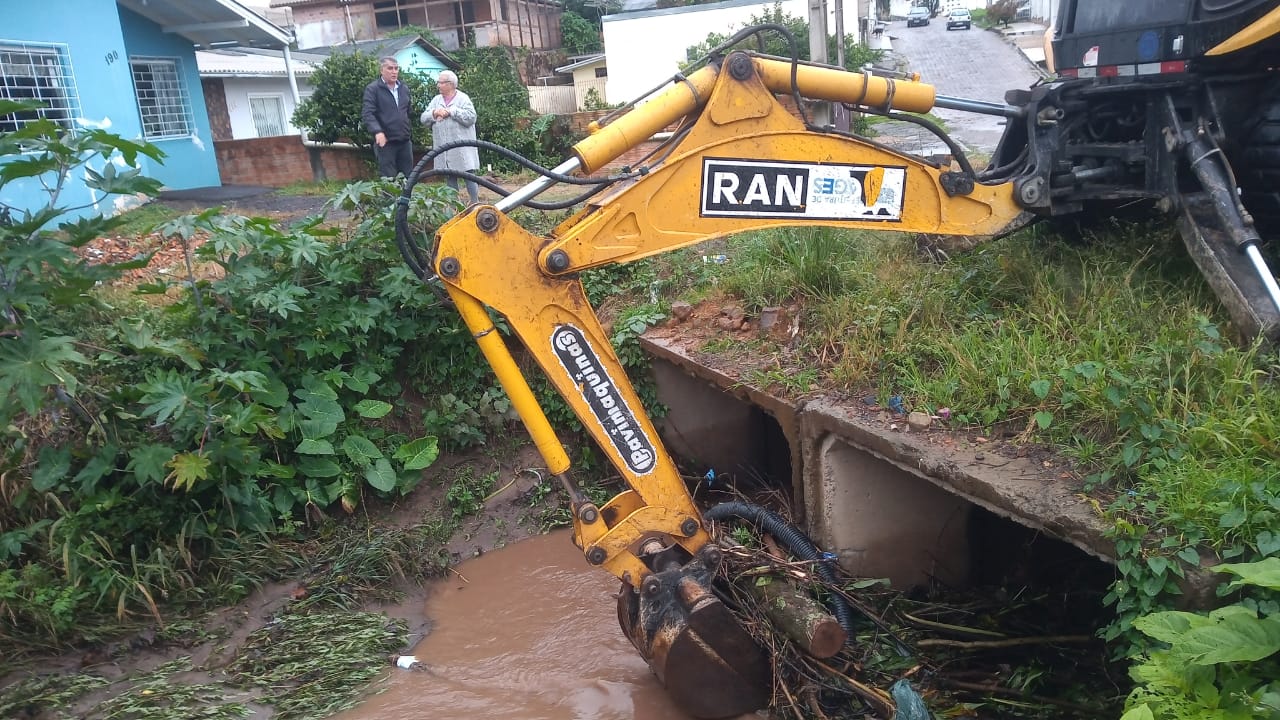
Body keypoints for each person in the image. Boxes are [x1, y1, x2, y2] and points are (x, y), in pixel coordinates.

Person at [421, 70, 480, 204]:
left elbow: (471, 117)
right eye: (438, 82)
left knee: (469, 174)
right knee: (450, 176)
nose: (438, 85)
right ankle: (455, 205)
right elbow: (423, 118)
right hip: (444, 147)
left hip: (462, 147)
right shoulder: (436, 100)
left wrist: (452, 112)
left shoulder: (463, 99)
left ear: (451, 84)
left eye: (441, 83)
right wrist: (434, 113)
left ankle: (475, 202)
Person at [361, 56, 414, 178]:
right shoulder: (373, 89)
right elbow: (368, 113)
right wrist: (377, 131)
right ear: (382, 70)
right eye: (390, 68)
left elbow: (408, 111)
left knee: (408, 178)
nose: (394, 72)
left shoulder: (404, 88)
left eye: (396, 68)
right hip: (385, 142)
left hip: (404, 141)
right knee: (389, 179)